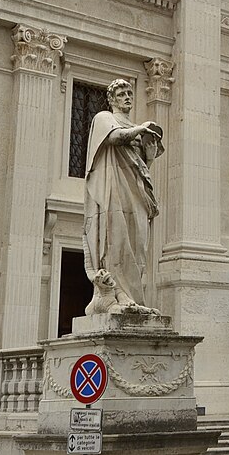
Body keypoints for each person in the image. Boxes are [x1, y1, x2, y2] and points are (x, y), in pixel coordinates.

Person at [82, 79, 163, 311]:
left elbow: (140, 168)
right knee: (116, 239)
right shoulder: (105, 118)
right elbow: (115, 138)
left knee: (137, 243)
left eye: (129, 93)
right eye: (121, 93)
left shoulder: (135, 129)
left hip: (135, 193)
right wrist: (140, 128)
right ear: (112, 99)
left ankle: (133, 297)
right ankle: (114, 293)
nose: (127, 96)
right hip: (112, 189)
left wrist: (149, 156)